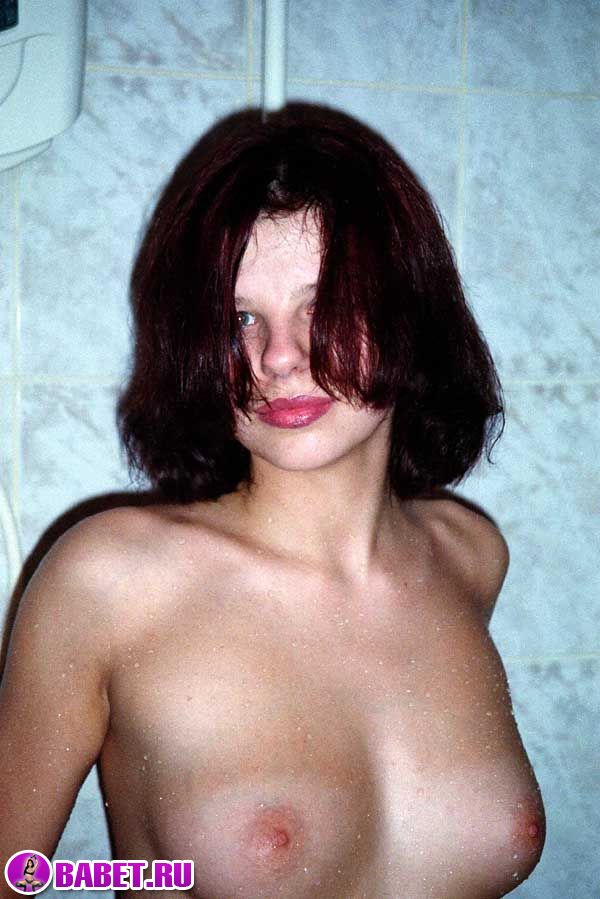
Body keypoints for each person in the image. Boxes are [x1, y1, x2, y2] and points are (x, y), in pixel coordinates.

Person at [0, 103, 545, 898]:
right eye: (240, 319)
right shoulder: (109, 583)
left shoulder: (470, 556)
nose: (278, 357)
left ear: (410, 312)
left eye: (325, 305)